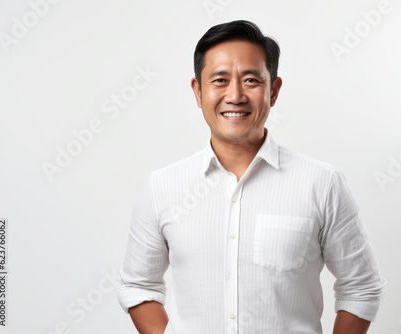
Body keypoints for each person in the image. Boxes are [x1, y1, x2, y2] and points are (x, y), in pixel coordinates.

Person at [117, 20, 386, 334]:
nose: (235, 95)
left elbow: (362, 286)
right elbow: (138, 284)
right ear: (198, 91)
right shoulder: (162, 187)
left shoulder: (322, 183)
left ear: (273, 91)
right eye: (219, 80)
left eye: (251, 80)